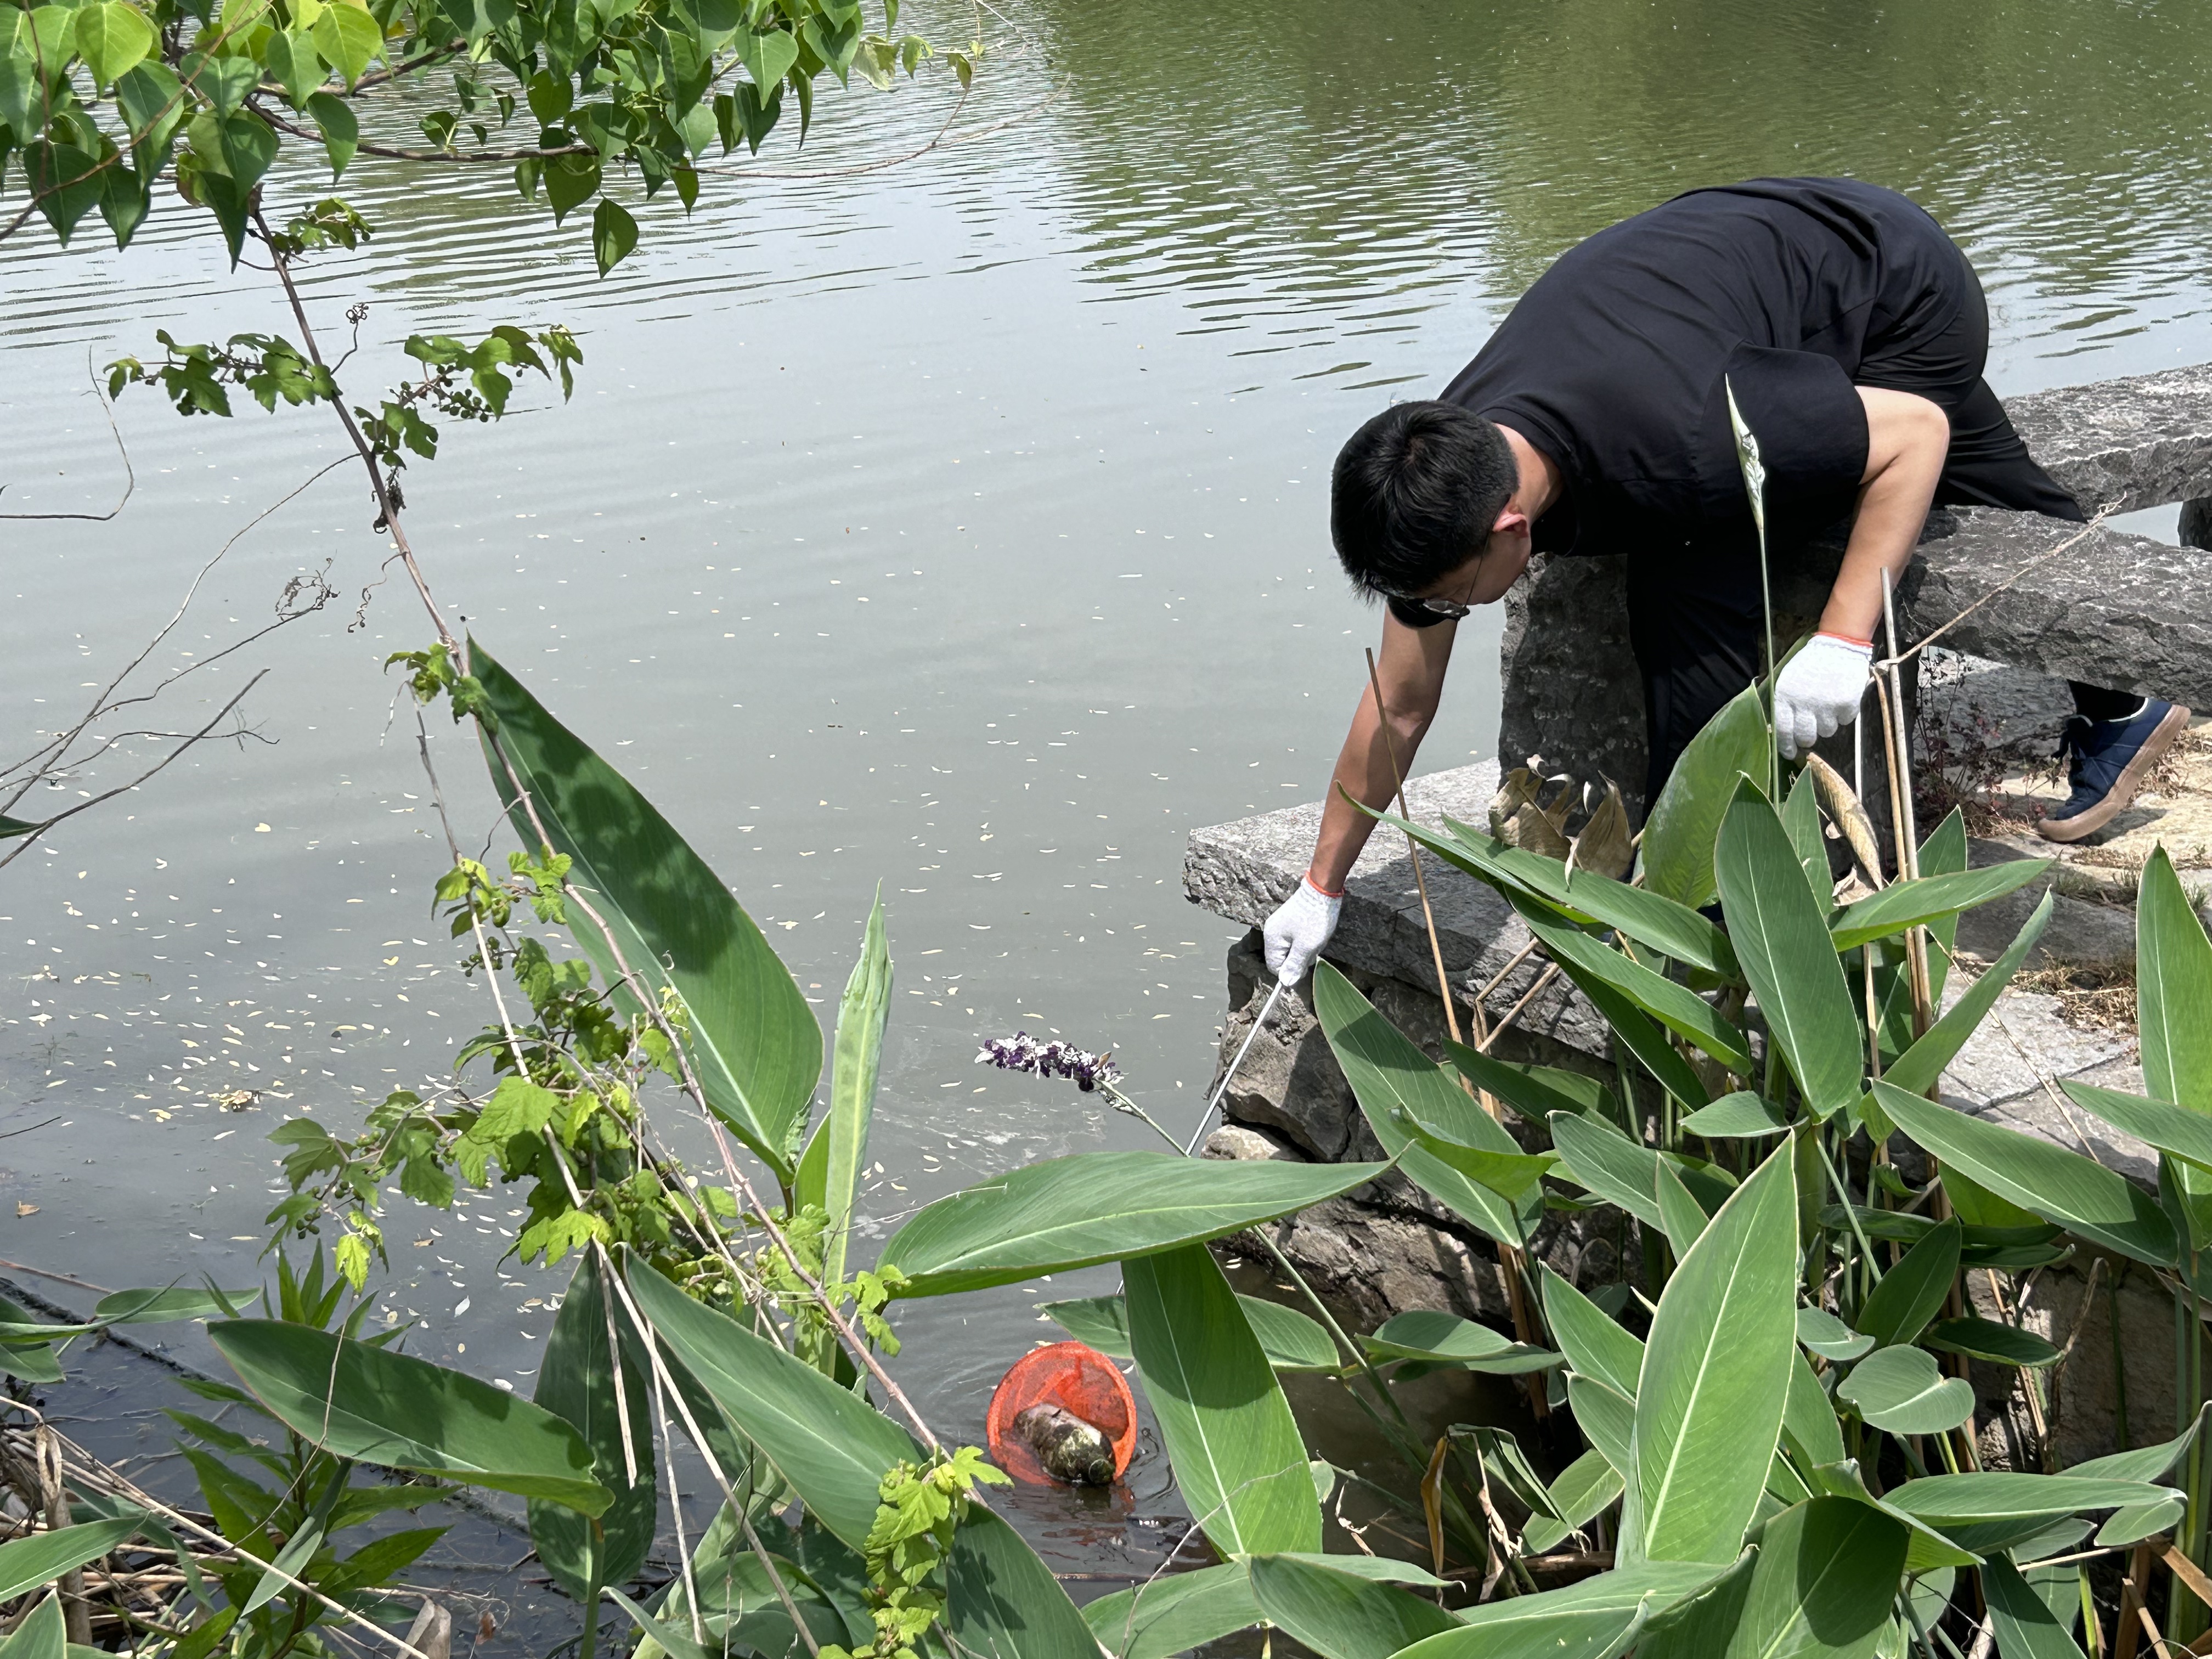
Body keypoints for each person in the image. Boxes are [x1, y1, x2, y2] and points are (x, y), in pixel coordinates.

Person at [1263, 176, 2189, 986]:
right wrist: (1320, 887)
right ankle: (2124, 705)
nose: (1437, 615)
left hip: (1902, 291)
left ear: (1511, 528)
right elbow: (1400, 705)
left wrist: (1841, 638)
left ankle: (1711, 899)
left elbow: (1916, 432)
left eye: (1445, 599)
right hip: (1743, 271)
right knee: (1954, 481)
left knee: (1691, 584)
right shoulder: (1441, 466)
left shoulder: (1684, 442)